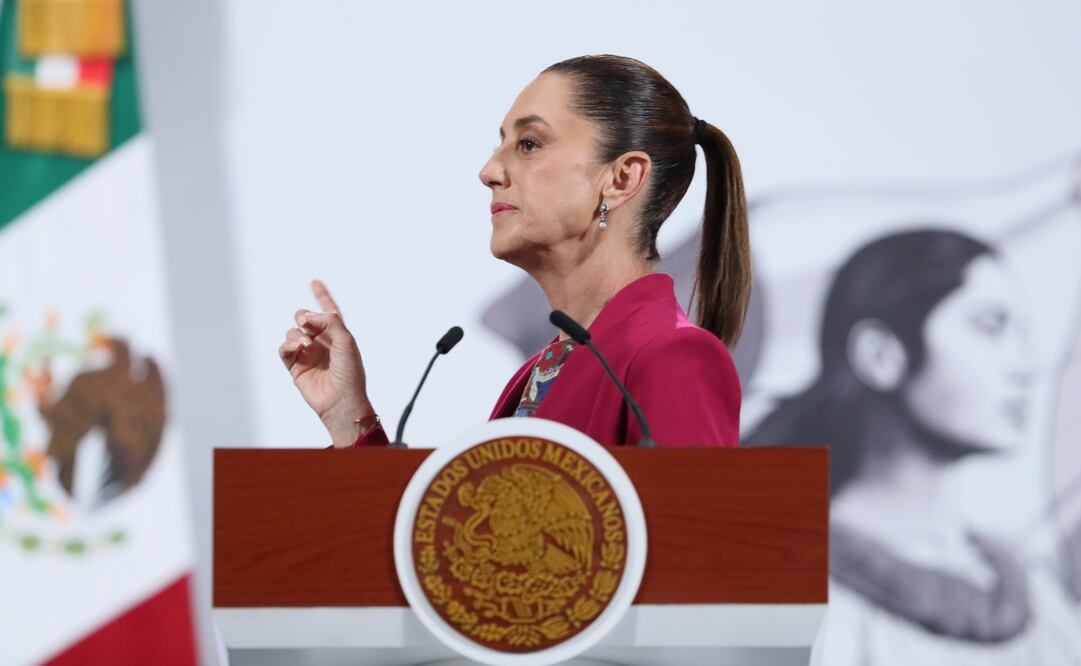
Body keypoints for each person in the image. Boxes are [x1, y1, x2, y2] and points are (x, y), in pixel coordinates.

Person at [277, 55, 749, 448]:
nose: (489, 170)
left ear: (621, 179)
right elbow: (460, 549)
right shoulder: (546, 367)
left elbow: (693, 551)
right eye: (501, 144)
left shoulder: (672, 356)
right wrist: (347, 413)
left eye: (529, 144)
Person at [746, 229, 1081, 665]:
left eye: (1022, 334)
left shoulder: (1036, 592)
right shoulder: (785, 584)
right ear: (880, 355)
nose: (1024, 365)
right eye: (990, 327)